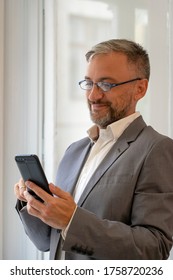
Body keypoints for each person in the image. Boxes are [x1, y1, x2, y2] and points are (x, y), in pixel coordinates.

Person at [14, 39, 173, 260]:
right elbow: (47, 242)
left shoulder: (156, 149)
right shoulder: (74, 151)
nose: (93, 96)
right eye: (89, 83)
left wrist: (72, 220)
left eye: (106, 85)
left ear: (140, 88)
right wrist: (33, 203)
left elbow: (153, 248)